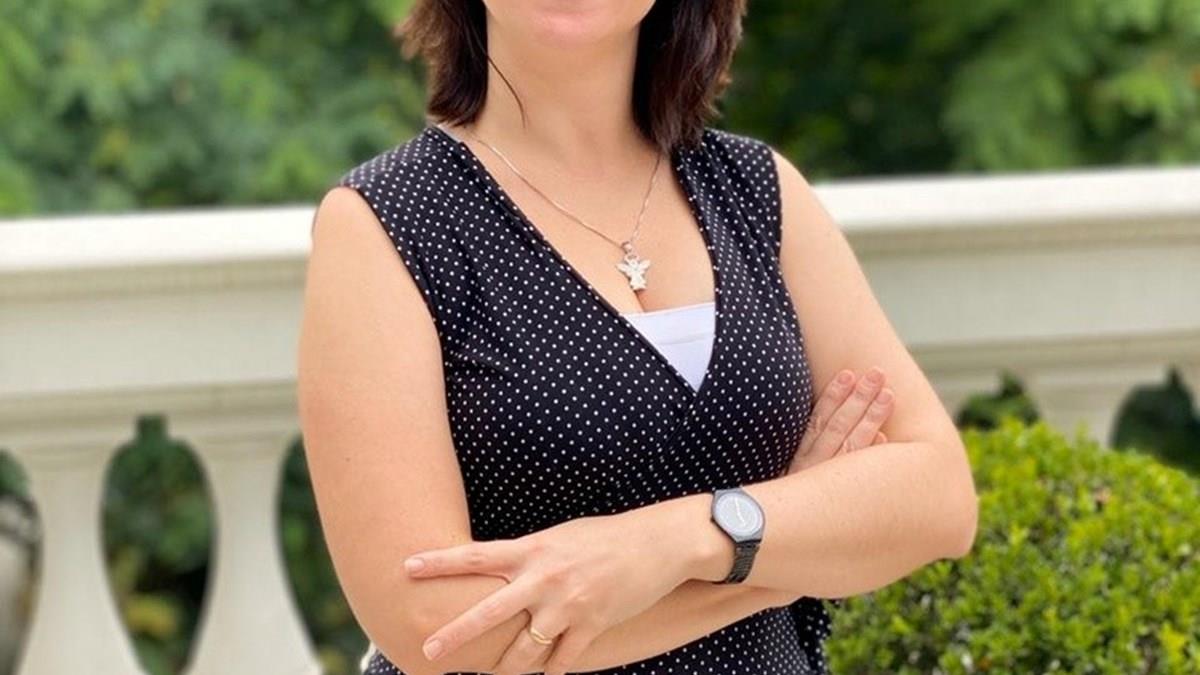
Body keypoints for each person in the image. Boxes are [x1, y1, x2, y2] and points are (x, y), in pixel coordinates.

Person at [296, 1, 979, 673]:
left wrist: (680, 540)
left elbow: (939, 495)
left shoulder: (756, 190)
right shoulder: (386, 223)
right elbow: (432, 625)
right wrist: (785, 554)